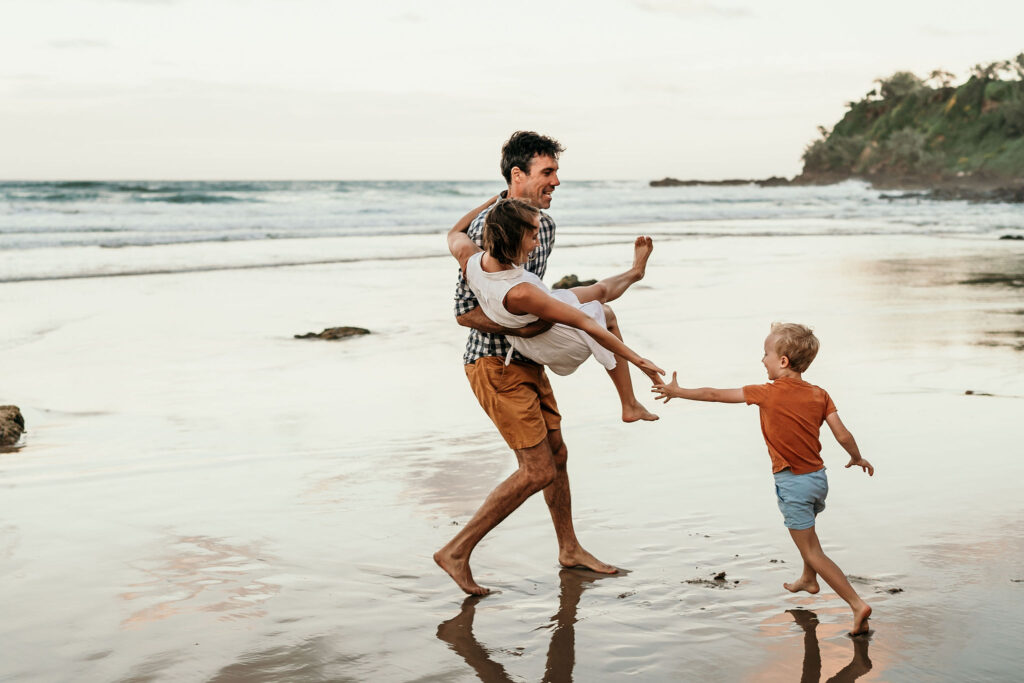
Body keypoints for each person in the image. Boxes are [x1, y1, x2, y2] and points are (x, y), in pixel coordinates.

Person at [435, 131, 642, 596]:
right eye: (547, 173)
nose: (556, 182)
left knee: (558, 456)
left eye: (555, 172)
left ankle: (569, 549)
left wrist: (537, 331)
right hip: (492, 363)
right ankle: (456, 551)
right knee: (537, 470)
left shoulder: (543, 226)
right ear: (518, 176)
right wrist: (520, 329)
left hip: (527, 359)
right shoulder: (485, 230)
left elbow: (536, 296)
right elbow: (466, 312)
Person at [651, 322, 875, 635]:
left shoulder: (766, 393)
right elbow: (842, 432)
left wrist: (678, 392)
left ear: (783, 361)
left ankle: (855, 603)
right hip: (818, 479)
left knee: (812, 549)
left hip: (792, 482)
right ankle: (808, 580)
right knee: (808, 535)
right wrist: (856, 456)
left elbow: (715, 394)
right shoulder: (820, 394)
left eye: (765, 353)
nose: (762, 360)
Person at [447, 195, 663, 420]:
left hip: (532, 311)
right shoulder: (521, 292)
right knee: (605, 314)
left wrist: (493, 203)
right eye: (533, 237)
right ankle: (629, 404)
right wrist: (639, 360)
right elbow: (586, 323)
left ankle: (635, 272)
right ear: (513, 237)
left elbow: (454, 233)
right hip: (548, 341)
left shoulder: (470, 259)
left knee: (597, 291)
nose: (538, 243)